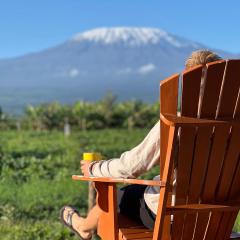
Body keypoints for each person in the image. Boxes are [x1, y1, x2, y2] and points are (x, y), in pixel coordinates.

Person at [60, 50, 222, 240]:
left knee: (115, 197)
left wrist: (94, 168)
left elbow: (132, 166)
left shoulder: (177, 121)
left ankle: (83, 227)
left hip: (171, 218)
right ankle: (84, 227)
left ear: (188, 86)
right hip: (217, 219)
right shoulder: (234, 127)